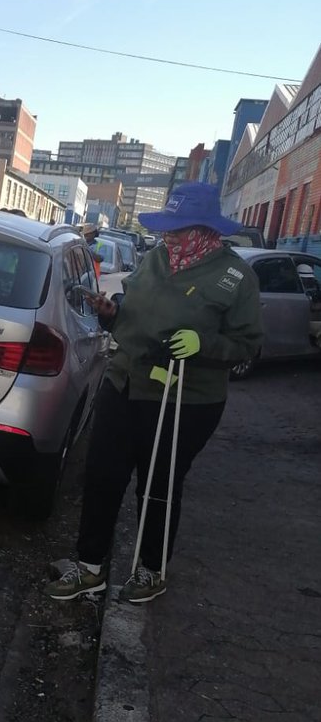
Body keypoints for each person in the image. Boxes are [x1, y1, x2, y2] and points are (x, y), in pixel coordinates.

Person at [45, 182, 263, 605]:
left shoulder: (235, 277)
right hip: (124, 380)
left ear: (202, 229)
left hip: (186, 399)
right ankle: (90, 567)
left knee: (158, 484)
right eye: (168, 228)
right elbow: (135, 315)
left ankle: (151, 569)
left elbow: (248, 344)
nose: (169, 237)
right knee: (102, 475)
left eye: (178, 230)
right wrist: (113, 315)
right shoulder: (155, 259)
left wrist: (206, 345)